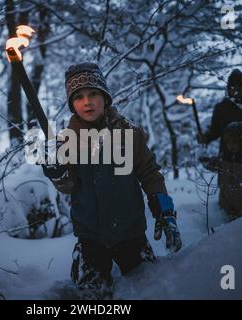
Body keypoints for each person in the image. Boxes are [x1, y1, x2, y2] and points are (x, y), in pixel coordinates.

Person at [41, 62, 182, 299]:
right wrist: (57, 172)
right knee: (92, 297)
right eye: (79, 96)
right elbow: (68, 185)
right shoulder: (67, 142)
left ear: (105, 97)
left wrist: (164, 210)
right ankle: (85, 266)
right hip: (91, 238)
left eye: (93, 93)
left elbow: (149, 173)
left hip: (131, 234)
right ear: (72, 105)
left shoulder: (129, 133)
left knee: (150, 289)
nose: (87, 101)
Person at [198, 69, 242, 218]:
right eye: (232, 87)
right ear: (228, 89)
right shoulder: (221, 108)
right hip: (227, 161)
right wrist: (205, 138)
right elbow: (215, 131)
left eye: (239, 87)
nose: (235, 91)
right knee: (228, 199)